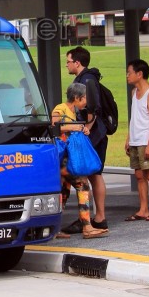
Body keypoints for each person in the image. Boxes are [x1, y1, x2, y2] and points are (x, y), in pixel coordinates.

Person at [51, 82, 108, 240]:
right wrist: (73, 127)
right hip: (63, 158)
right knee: (82, 186)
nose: (86, 102)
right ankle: (87, 227)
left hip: (68, 157)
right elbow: (53, 127)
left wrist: (81, 128)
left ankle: (55, 229)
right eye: (84, 99)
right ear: (76, 98)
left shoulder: (73, 111)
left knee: (63, 192)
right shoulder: (60, 108)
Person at [64, 46, 109, 232]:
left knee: (93, 173)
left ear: (77, 62)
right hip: (91, 133)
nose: (66, 65)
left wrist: (86, 129)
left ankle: (98, 217)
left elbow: (94, 107)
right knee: (90, 174)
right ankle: (90, 217)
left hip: (94, 134)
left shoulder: (88, 79)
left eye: (68, 61)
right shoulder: (84, 78)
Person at [123, 59, 149, 221]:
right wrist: (128, 138)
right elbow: (134, 118)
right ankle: (143, 209)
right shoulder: (134, 93)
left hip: (147, 141)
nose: (127, 76)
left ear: (139, 74)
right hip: (135, 139)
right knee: (139, 175)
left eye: (129, 72)